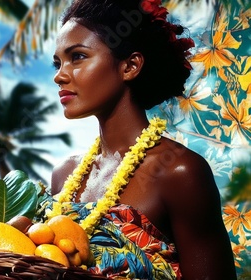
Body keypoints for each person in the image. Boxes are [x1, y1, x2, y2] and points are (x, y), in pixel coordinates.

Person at [48, 0, 237, 278]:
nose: (59, 76)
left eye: (77, 57)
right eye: (57, 63)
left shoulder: (179, 171)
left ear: (130, 66)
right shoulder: (64, 175)